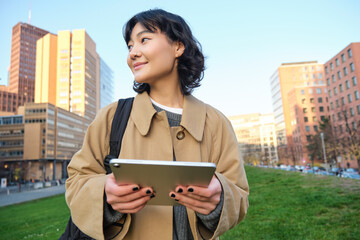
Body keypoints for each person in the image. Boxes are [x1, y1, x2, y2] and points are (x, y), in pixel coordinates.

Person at [65, 9, 249, 240]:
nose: (133, 53)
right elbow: (76, 181)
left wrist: (220, 198)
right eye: (130, 46)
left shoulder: (216, 122)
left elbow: (239, 196)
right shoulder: (111, 116)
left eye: (144, 40)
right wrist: (103, 194)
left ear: (178, 47)